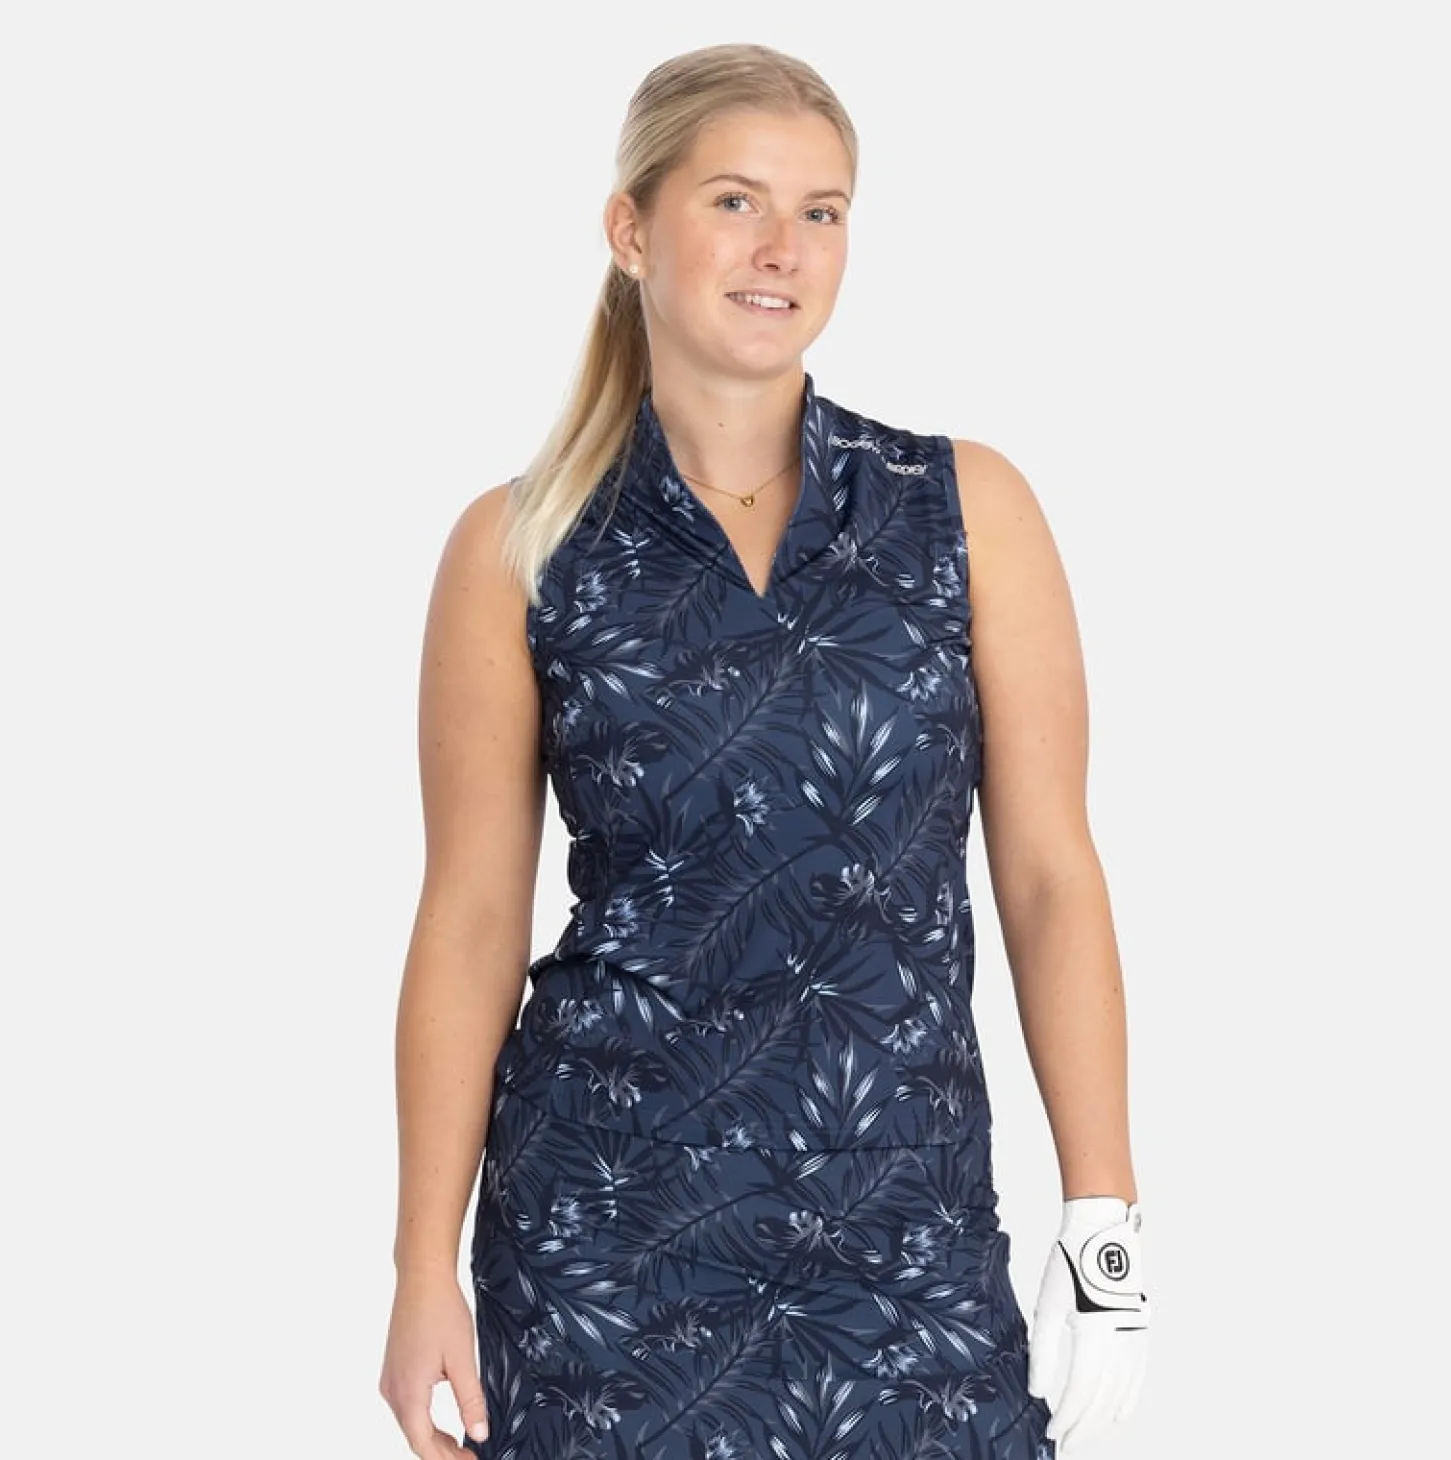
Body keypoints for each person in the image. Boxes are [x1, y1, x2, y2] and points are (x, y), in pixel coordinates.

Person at [379, 41, 1150, 1460]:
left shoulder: (966, 512)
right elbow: (473, 915)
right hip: (607, 1236)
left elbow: (1049, 876)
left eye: (822, 211)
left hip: (905, 1231)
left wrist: (1106, 1228)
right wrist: (421, 1260)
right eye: (735, 201)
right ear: (630, 229)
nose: (782, 249)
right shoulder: (520, 546)